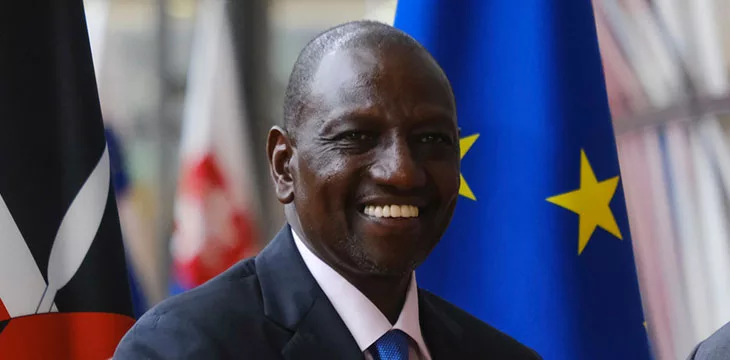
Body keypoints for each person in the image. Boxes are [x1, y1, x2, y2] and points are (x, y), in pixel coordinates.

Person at [113, 20, 541, 360]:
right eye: (358, 136)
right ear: (284, 166)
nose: (403, 173)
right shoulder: (180, 349)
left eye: (431, 140)